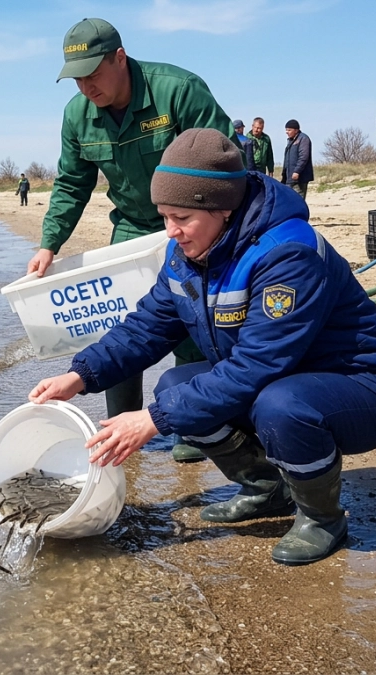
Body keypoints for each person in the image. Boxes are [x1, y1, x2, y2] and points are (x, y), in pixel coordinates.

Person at [29, 128, 376, 565]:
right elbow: (145, 328)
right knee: (174, 386)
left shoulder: (288, 253)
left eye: (182, 217)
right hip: (287, 376)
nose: (171, 231)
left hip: (366, 387)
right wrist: (80, 375)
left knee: (279, 406)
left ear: (224, 208)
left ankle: (322, 518)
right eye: (164, 216)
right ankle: (266, 488)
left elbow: (256, 365)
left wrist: (153, 420)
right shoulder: (187, 252)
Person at [29, 17, 240, 453]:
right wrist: (50, 243)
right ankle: (120, 426)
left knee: (192, 316)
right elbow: (71, 184)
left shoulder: (177, 91)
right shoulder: (77, 115)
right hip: (131, 225)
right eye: (76, 78)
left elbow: (226, 162)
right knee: (118, 323)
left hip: (191, 219)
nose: (85, 86)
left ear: (120, 58)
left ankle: (191, 426)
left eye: (92, 73)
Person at [281, 119, 313, 201]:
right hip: (289, 178)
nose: (287, 132)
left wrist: (297, 171)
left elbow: (303, 157)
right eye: (286, 130)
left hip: (299, 178)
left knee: (298, 201)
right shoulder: (290, 140)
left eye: (289, 130)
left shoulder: (303, 139)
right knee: (288, 201)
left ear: (296, 130)